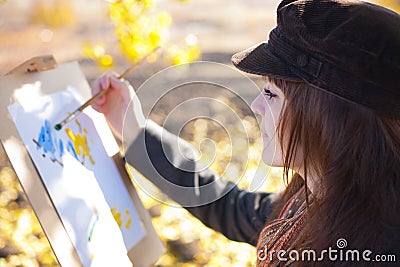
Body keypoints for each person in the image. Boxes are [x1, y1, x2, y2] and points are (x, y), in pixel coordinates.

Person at [92, 0, 400, 265]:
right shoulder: (311, 201)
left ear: (330, 116)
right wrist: (132, 128)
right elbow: (227, 205)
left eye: (271, 94)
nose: (256, 105)